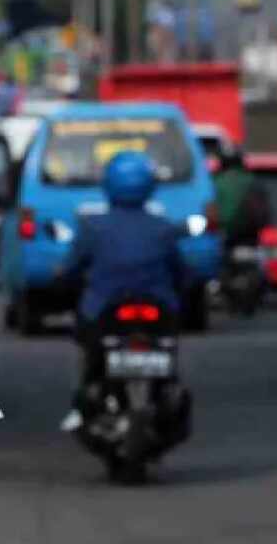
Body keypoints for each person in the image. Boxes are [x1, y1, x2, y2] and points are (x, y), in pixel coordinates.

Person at [59, 151, 184, 423]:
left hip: (103, 311)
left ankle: (86, 400)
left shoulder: (93, 227)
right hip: (158, 311)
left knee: (89, 355)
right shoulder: (163, 227)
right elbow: (181, 272)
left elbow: (71, 269)